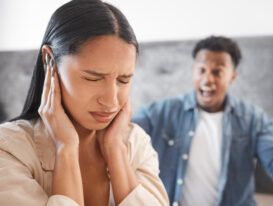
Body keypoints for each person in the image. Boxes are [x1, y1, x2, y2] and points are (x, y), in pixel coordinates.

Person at [0, 1, 169, 206]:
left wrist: (115, 149)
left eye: (123, 80)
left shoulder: (136, 143)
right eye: (93, 79)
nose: (111, 101)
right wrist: (66, 148)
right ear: (49, 61)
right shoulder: (8, 149)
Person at [132, 36, 273, 206]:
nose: (207, 79)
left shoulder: (254, 120)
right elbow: (125, 137)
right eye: (201, 70)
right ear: (193, 71)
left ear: (232, 76)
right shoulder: (158, 112)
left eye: (217, 71)